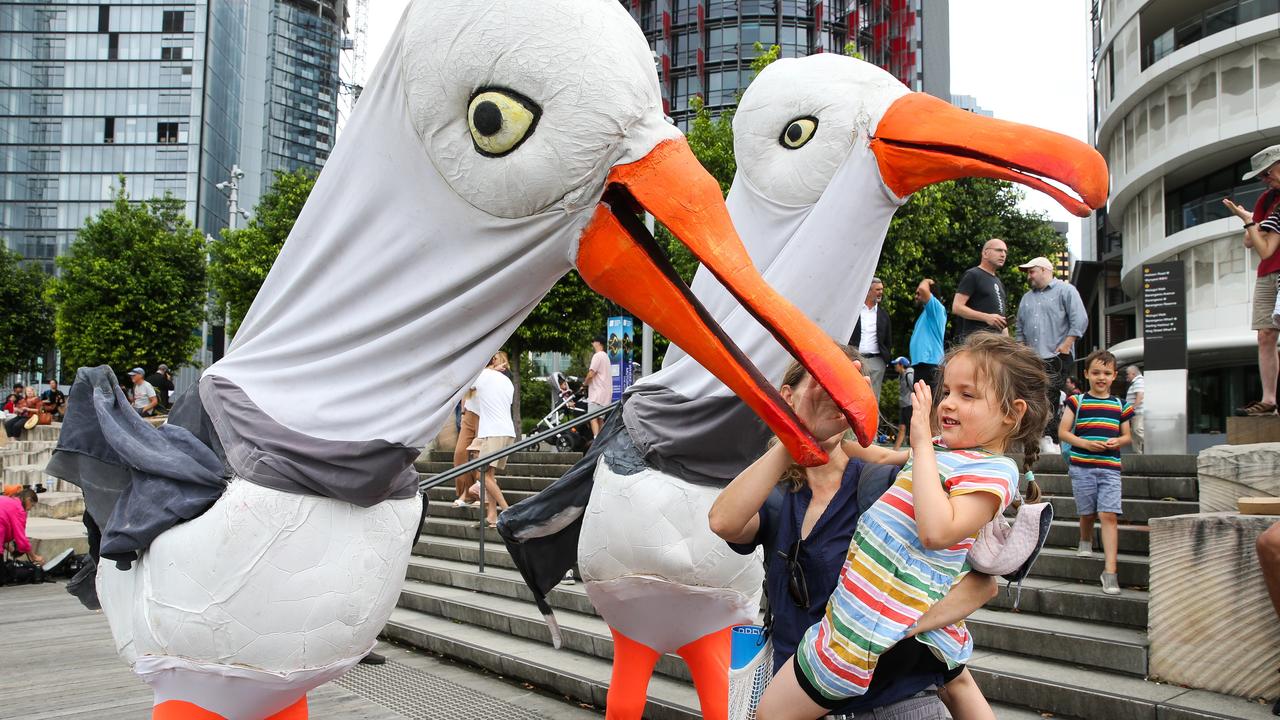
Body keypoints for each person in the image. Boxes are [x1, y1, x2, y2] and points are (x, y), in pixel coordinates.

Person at [746, 334, 1050, 718]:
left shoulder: (994, 472)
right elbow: (874, 452)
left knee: (769, 714)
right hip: (865, 608)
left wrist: (922, 444)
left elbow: (937, 531)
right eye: (947, 392)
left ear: (1012, 412)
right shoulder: (943, 451)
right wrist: (829, 416)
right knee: (954, 673)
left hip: (867, 623)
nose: (949, 403)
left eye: (967, 395)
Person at [1058, 350, 1132, 597]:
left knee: (1108, 514)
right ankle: (1085, 539)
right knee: (1087, 512)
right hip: (1082, 466)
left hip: (1110, 468)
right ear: (1087, 374)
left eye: (1107, 373)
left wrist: (1118, 442)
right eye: (1097, 372)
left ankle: (1110, 571)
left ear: (1114, 376)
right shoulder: (1077, 402)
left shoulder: (1121, 405)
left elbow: (1127, 435)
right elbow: (1063, 432)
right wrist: (1085, 443)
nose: (1102, 377)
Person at [1223, 144, 1280, 416]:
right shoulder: (1266, 200)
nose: (1264, 180)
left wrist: (1249, 223)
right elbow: (1251, 242)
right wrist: (1251, 223)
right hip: (1267, 272)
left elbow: (1262, 242)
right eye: (1261, 176)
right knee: (1265, 335)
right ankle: (1269, 400)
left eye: (1267, 173)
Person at [1015, 256, 1087, 443]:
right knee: (1032, 396)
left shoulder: (1066, 290)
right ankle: (1035, 436)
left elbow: (1079, 319)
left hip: (1057, 355)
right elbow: (1020, 328)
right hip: (1032, 358)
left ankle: (1050, 438)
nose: (1029, 276)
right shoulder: (1026, 298)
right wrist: (1022, 350)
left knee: (1052, 397)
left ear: (1045, 270)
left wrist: (1067, 344)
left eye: (1032, 271)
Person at [468, 352, 515, 528]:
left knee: (483, 474)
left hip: (493, 431)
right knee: (489, 476)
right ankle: (492, 516)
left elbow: (465, 385)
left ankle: (507, 512)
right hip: (507, 431)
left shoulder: (482, 375)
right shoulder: (507, 381)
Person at [952, 239, 1009, 344]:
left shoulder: (998, 282)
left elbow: (1001, 320)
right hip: (976, 344)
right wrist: (986, 317)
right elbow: (957, 307)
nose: (1003, 254)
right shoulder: (973, 275)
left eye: (1005, 252)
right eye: (999, 250)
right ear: (985, 253)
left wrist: (1008, 344)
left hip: (995, 344)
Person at [849, 277, 892, 399]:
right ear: (868, 291)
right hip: (857, 359)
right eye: (878, 289)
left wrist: (885, 361)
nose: (881, 292)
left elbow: (888, 341)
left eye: (882, 289)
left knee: (873, 397)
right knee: (854, 394)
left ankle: (874, 419)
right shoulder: (855, 312)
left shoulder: (884, 315)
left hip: (877, 361)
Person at [909, 279, 946, 388]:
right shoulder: (926, 314)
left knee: (929, 403)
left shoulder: (937, 308)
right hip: (923, 364)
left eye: (918, 294)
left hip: (930, 364)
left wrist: (927, 281)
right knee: (921, 402)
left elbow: (923, 288)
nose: (916, 296)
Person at [451, 388, 481, 508]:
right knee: (460, 453)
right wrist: (463, 410)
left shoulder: (495, 373)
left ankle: (478, 493)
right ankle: (466, 492)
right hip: (469, 411)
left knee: (479, 453)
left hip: (486, 411)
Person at [0, 487, 42, 567]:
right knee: (3, 577)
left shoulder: (8, 501)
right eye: (32, 506)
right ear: (28, 500)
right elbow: (21, 539)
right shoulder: (19, 510)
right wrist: (34, 557)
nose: (29, 509)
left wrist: (11, 549)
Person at [585, 336, 611, 436]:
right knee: (600, 419)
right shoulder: (606, 357)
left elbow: (591, 373)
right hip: (605, 395)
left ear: (598, 343)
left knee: (592, 417)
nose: (592, 344)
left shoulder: (597, 356)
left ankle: (596, 439)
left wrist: (585, 383)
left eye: (593, 341)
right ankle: (602, 441)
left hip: (596, 394)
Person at [891, 357, 914, 452]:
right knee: (902, 428)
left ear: (901, 365)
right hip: (904, 405)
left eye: (896, 364)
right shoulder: (901, 375)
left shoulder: (909, 375)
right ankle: (894, 451)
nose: (895, 366)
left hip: (910, 405)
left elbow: (914, 389)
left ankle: (917, 452)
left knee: (912, 430)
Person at [1124, 365, 1145, 455]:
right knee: (1133, 433)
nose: (1127, 376)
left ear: (1133, 373)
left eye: (1128, 374)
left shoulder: (1138, 381)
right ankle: (1137, 453)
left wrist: (1132, 409)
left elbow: (1140, 396)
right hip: (1136, 412)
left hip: (1138, 412)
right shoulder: (1137, 382)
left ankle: (1154, 446)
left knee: (1137, 430)